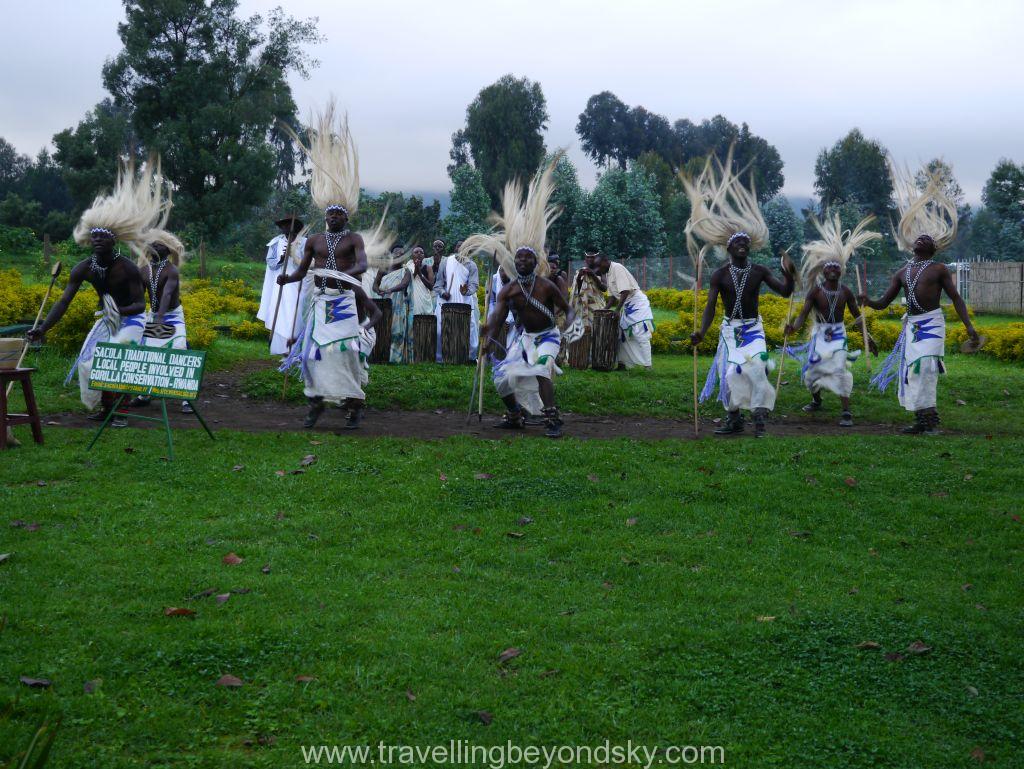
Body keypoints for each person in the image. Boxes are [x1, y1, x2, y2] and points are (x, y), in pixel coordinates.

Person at [279, 100, 394, 428]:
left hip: (343, 300)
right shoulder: (314, 240)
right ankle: (315, 402)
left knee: (343, 353)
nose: (332, 217)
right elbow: (303, 270)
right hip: (320, 302)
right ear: (324, 216)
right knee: (314, 353)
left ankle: (354, 404)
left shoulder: (353, 238)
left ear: (345, 216)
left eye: (337, 214)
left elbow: (360, 265)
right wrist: (287, 280)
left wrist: (340, 273)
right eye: (328, 213)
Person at [27, 161, 158, 428]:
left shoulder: (128, 268)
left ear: (114, 241)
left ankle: (120, 412)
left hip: (132, 320)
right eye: (94, 236)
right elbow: (64, 301)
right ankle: (105, 407)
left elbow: (139, 304)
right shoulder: (84, 268)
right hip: (107, 320)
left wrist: (118, 312)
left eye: (104, 236)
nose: (97, 240)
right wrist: (43, 328)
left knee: (115, 358)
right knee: (88, 362)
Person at [464, 155, 578, 437]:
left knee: (541, 372)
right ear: (514, 261)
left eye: (528, 257)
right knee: (502, 377)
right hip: (524, 338)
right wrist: (487, 335)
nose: (523, 262)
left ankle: (552, 419)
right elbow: (497, 317)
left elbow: (567, 308)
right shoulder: (509, 290)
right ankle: (515, 415)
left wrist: (570, 325)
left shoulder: (546, 286)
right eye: (519, 258)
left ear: (535, 260)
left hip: (548, 336)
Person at [684, 148, 795, 437]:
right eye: (738, 242)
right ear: (729, 248)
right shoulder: (719, 275)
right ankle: (734, 419)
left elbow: (785, 293)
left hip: (753, 328)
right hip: (731, 330)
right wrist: (702, 331)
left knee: (757, 366)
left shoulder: (759, 271)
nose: (743, 244)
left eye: (746, 241)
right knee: (732, 372)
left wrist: (790, 276)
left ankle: (759, 417)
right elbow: (710, 307)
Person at [862, 167, 979, 434]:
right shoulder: (902, 272)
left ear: (933, 248)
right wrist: (868, 300)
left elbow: (957, 299)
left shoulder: (938, 269)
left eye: (927, 238)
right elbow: (883, 303)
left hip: (932, 324)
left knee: (926, 367)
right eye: (919, 236)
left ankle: (932, 420)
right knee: (913, 371)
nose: (922, 237)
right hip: (913, 326)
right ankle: (920, 420)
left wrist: (969, 327)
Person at [784, 213, 880, 426]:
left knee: (838, 368)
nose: (833, 270)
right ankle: (816, 399)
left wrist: (869, 339)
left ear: (841, 271)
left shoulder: (846, 292)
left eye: (837, 267)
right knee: (812, 372)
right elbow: (802, 316)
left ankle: (846, 412)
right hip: (820, 334)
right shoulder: (815, 292)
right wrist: (793, 327)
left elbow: (857, 318)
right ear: (823, 271)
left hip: (838, 334)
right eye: (829, 267)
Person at [128, 226, 194, 413]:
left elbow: (166, 296)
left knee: (179, 348)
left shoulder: (171, 271)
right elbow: (139, 296)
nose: (154, 246)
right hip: (154, 314)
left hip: (172, 316)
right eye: (152, 244)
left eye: (159, 244)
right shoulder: (144, 270)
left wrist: (159, 320)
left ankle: (185, 398)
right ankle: (145, 394)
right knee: (147, 351)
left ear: (167, 249)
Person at [256, 215, 308, 354]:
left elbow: (310, 263)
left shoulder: (305, 243)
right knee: (279, 313)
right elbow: (271, 262)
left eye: (289, 225)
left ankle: (294, 347)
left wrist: (294, 257)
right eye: (284, 225)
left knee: (294, 312)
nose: (286, 228)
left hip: (298, 283)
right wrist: (282, 258)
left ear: (296, 227)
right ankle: (280, 348)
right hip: (280, 282)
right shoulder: (275, 242)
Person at [595, 254, 654, 369]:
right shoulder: (608, 273)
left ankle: (648, 366)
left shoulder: (617, 267)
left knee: (641, 333)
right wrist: (604, 310)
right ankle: (623, 364)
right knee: (622, 334)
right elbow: (612, 297)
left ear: (605, 261)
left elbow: (625, 291)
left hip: (637, 303)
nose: (598, 268)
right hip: (627, 305)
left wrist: (617, 310)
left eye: (599, 265)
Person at [433, 238, 480, 362]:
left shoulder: (471, 265)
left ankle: (468, 357)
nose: (462, 248)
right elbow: (438, 284)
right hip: (445, 301)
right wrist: (443, 293)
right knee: (439, 329)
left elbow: (474, 285)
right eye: (459, 246)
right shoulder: (446, 262)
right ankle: (441, 358)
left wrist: (467, 291)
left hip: (464, 301)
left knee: (470, 329)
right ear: (455, 249)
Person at [374, 244, 413, 363]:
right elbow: (375, 284)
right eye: (396, 254)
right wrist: (378, 291)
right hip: (383, 303)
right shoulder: (384, 269)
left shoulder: (406, 270)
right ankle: (380, 355)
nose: (399, 256)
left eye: (402, 254)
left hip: (398, 305)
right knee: (382, 329)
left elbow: (404, 284)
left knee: (397, 331)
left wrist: (391, 290)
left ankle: (395, 359)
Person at [570, 248, 608, 335]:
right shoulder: (580, 271)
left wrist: (593, 275)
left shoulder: (601, 271)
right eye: (588, 257)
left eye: (592, 257)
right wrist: (579, 277)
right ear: (585, 258)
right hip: (581, 307)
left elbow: (604, 288)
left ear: (597, 258)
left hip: (596, 306)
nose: (590, 259)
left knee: (597, 330)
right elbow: (577, 290)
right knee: (583, 333)